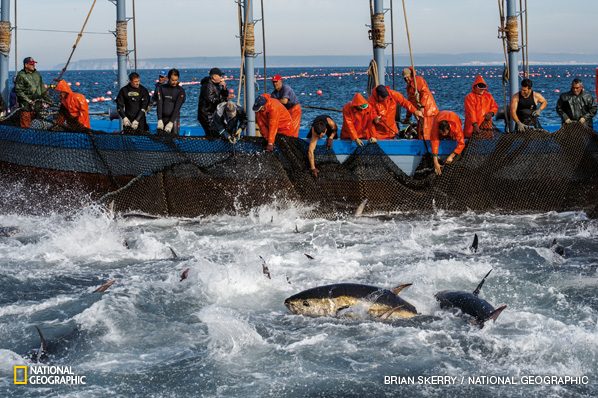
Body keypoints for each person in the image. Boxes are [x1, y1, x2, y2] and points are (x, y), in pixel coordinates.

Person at [401, 67, 439, 139]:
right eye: (405, 78)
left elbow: (425, 93)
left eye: (407, 77)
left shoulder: (418, 80)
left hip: (428, 111)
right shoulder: (409, 87)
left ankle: (428, 147)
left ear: (411, 75)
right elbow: (410, 103)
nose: (406, 79)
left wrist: (422, 107)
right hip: (420, 114)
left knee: (426, 133)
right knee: (421, 132)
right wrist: (407, 117)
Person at [15, 57, 52, 128]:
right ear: (26, 65)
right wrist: (28, 100)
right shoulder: (21, 75)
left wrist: (48, 100)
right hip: (26, 105)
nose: (33, 65)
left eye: (34, 64)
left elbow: (42, 89)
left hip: (37, 105)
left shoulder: (37, 74)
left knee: (37, 124)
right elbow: (18, 91)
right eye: (31, 64)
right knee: (26, 125)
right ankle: (25, 137)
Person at [430, 111, 465, 176]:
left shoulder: (456, 127)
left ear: (449, 129)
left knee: (454, 138)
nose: (443, 135)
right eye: (441, 133)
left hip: (453, 117)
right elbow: (434, 141)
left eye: (445, 133)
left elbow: (462, 143)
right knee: (435, 137)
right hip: (439, 116)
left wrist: (451, 156)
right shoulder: (436, 126)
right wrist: (435, 162)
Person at [198, 67, 229, 137]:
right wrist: (224, 99)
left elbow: (223, 96)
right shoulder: (207, 85)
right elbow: (211, 100)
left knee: (220, 131)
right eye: (220, 76)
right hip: (207, 115)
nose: (221, 77)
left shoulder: (217, 85)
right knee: (213, 134)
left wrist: (224, 88)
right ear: (214, 76)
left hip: (214, 114)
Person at [156, 68, 186, 135]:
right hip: (162, 118)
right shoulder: (161, 88)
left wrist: (171, 122)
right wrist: (159, 119)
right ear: (168, 78)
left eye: (176, 80)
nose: (174, 82)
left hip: (174, 119)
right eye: (172, 80)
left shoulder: (180, 91)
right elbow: (159, 104)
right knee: (160, 138)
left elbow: (177, 108)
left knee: (174, 138)